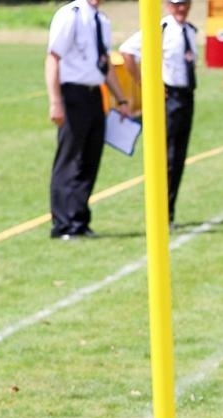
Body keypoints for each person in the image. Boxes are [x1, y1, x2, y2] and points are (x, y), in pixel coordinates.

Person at [46, 0, 132, 240]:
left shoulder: (102, 20)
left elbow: (105, 65)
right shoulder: (70, 15)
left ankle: (79, 220)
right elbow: (53, 57)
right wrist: (55, 101)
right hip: (73, 92)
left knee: (90, 158)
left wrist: (122, 100)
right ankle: (62, 224)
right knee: (69, 158)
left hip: (95, 93)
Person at [119, 0, 197, 226]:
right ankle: (161, 213)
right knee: (168, 157)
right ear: (167, 6)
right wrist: (146, 84)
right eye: (176, 5)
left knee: (179, 156)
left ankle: (169, 211)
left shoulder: (189, 31)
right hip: (169, 97)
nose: (181, 8)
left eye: (185, 4)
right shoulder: (160, 28)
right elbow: (127, 51)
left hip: (186, 96)